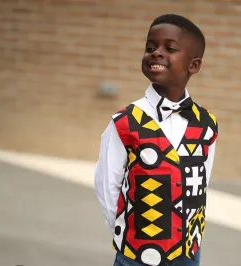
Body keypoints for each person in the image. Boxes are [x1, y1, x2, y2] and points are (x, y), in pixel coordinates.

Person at [94, 14, 218, 266]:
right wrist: (127, 235)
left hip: (188, 252)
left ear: (193, 65)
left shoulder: (207, 124)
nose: (156, 53)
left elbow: (202, 181)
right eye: (150, 47)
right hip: (138, 253)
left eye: (169, 48)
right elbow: (108, 187)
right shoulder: (124, 122)